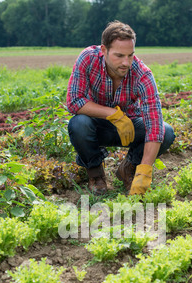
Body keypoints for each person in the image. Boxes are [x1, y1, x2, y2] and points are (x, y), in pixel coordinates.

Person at [66, 20, 175, 196]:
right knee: (78, 124)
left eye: (130, 55)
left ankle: (129, 169)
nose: (126, 62)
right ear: (104, 50)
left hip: (129, 128)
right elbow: (74, 100)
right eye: (119, 56)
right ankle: (96, 174)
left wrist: (145, 170)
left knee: (166, 131)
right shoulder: (88, 58)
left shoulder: (143, 75)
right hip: (96, 125)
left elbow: (154, 124)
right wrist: (113, 114)